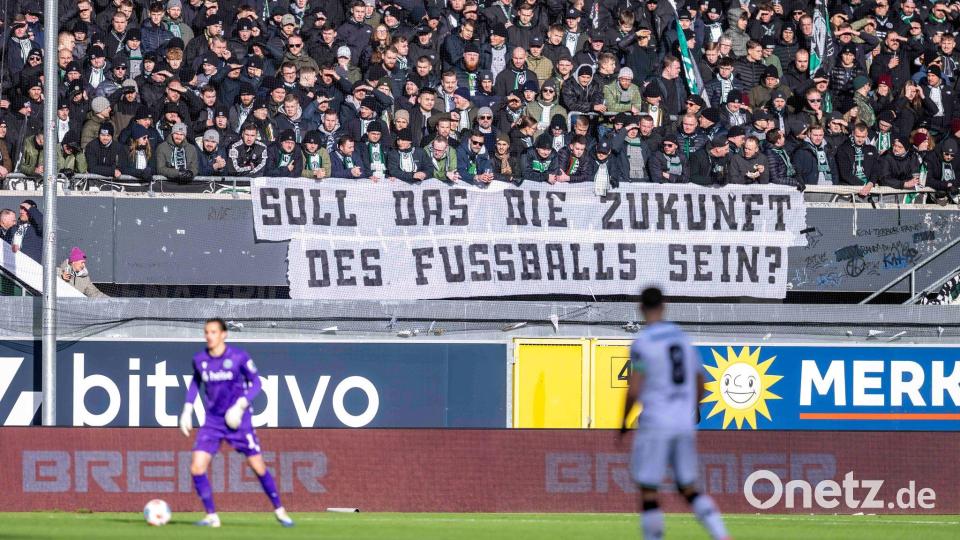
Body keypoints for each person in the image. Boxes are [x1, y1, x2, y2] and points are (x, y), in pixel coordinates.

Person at [621, 287, 730, 540]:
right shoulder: (682, 339)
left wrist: (623, 422)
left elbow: (633, 391)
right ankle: (721, 535)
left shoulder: (642, 344)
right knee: (689, 488)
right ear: (665, 304)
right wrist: (692, 409)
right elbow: (701, 381)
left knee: (649, 490)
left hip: (656, 422)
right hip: (683, 422)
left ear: (640, 307)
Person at [179, 318, 294, 528]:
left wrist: (241, 404)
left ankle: (280, 510)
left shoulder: (238, 357)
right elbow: (196, 382)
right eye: (206, 332)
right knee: (197, 467)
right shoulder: (200, 359)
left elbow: (257, 382)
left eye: (213, 332)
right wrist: (187, 408)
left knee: (257, 465)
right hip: (213, 421)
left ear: (224, 334)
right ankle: (211, 516)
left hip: (238, 420)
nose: (209, 336)